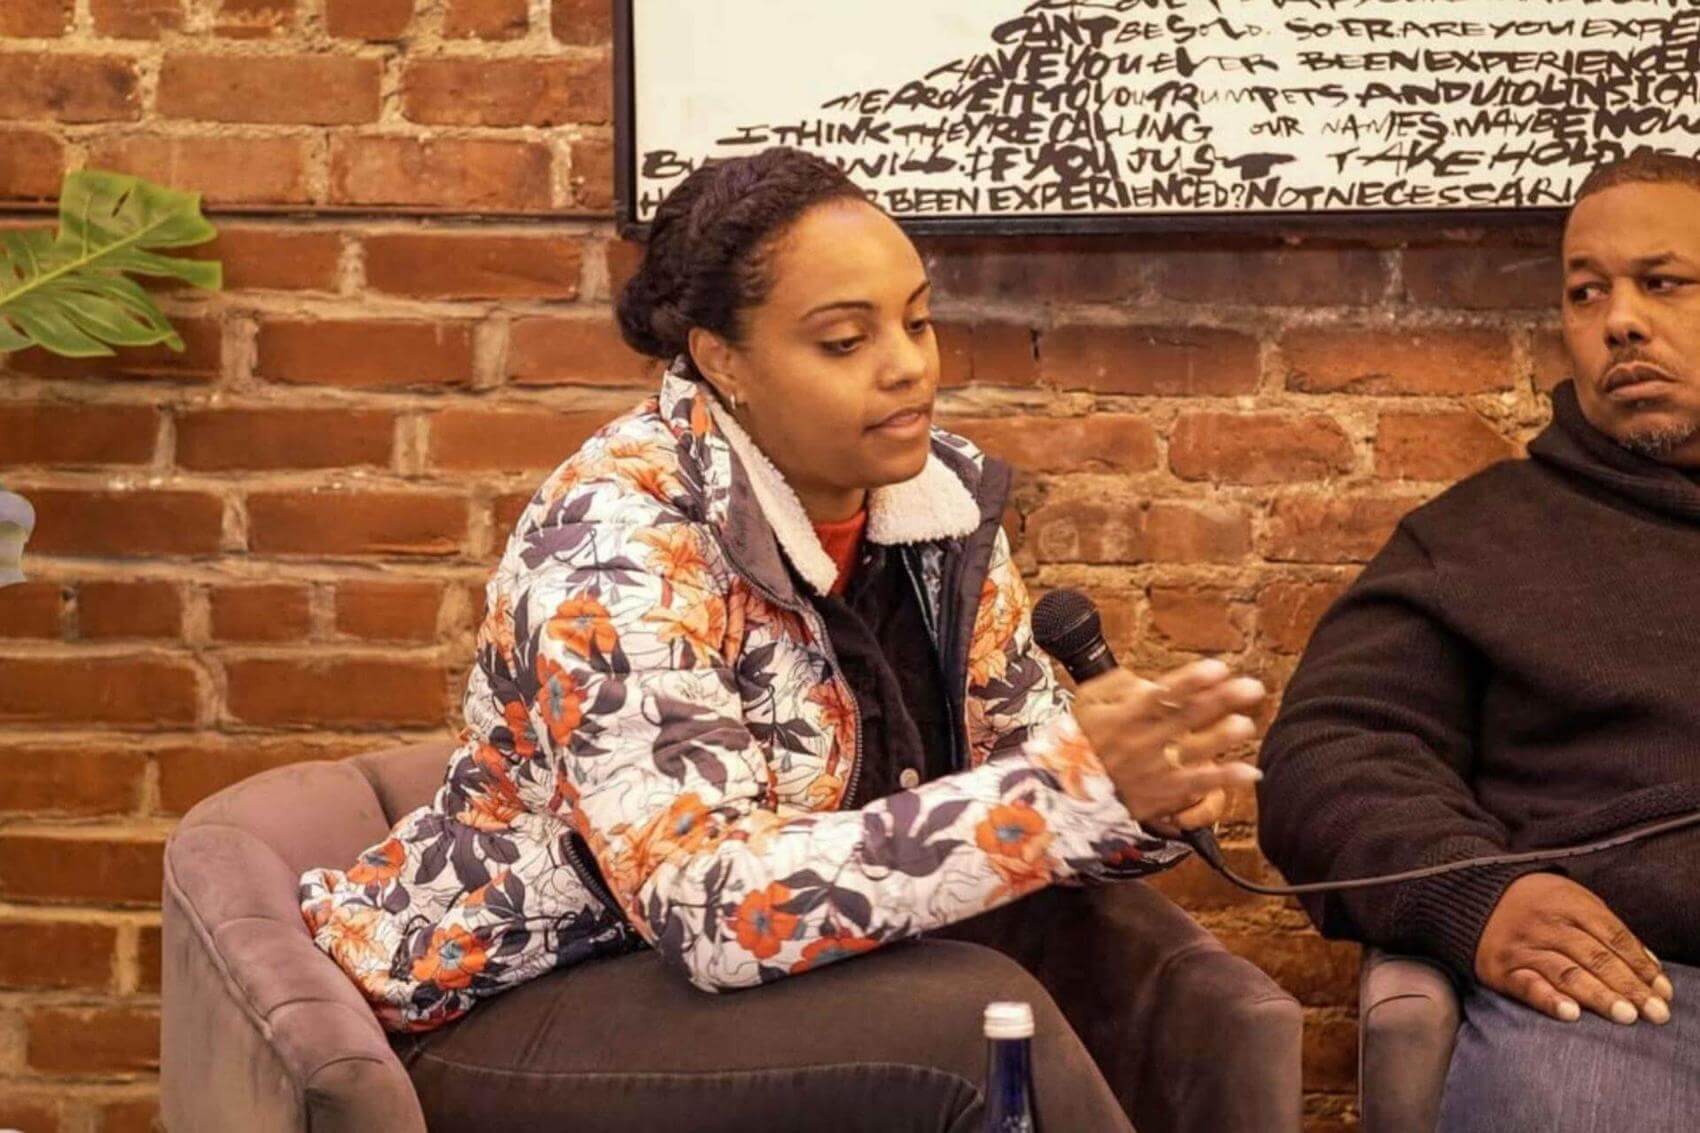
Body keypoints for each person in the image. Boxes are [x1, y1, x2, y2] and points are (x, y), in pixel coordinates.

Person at [300, 146, 1277, 1130]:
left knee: (1174, 997)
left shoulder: (933, 512)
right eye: (844, 341)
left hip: (777, 985)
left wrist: (1133, 792)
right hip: (529, 1002)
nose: (907, 363)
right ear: (722, 360)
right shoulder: (614, 547)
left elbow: (1015, 774)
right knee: (964, 1025)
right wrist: (1061, 795)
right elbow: (709, 905)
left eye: (918, 320)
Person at [1257, 148, 1700, 1131]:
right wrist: (1475, 896)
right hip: (1625, 986)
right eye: (1584, 293)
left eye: (1660, 282)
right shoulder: (1477, 540)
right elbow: (1324, 760)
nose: (1617, 319)